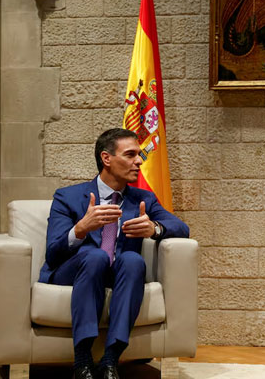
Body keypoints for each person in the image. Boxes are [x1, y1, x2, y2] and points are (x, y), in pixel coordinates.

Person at [38, 128, 189, 379]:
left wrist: (155, 228)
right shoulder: (68, 196)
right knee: (95, 256)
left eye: (139, 155)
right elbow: (53, 254)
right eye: (130, 155)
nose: (139, 161)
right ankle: (83, 358)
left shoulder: (144, 199)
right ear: (106, 158)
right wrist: (81, 229)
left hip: (119, 273)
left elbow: (182, 228)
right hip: (75, 272)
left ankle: (111, 359)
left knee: (132, 260)